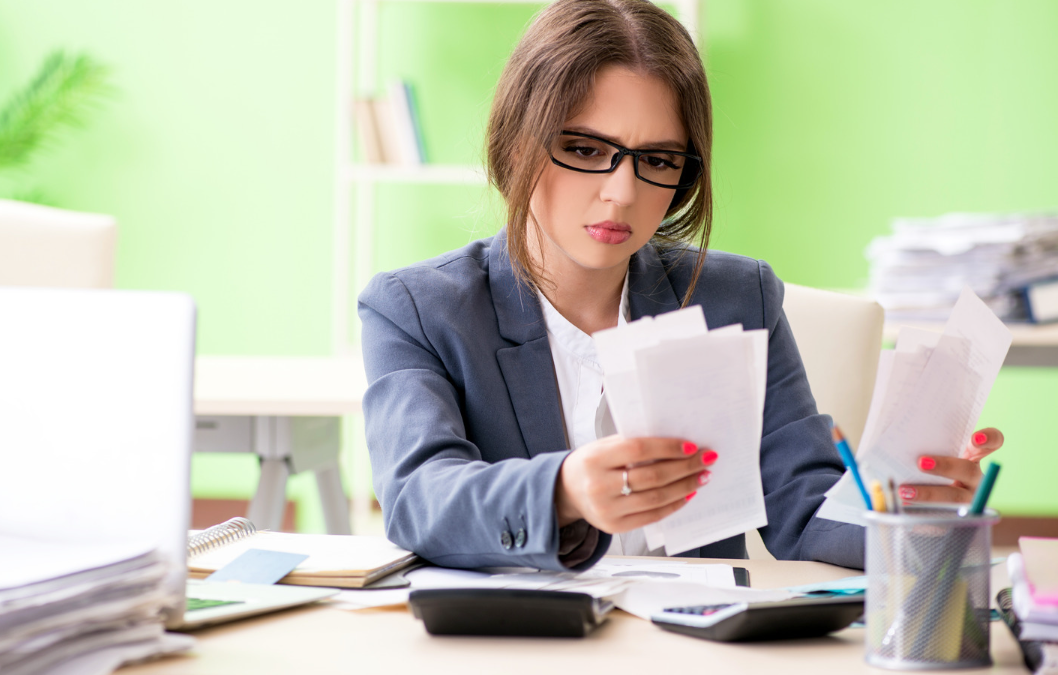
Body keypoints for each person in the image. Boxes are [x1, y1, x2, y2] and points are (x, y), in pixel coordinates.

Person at [358, 0, 1002, 572]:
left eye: (659, 160)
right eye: (585, 149)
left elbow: (804, 510)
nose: (622, 192)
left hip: (693, 646)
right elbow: (419, 498)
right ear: (518, 137)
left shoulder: (736, 299)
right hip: (517, 647)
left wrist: (910, 510)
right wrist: (566, 490)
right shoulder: (416, 310)